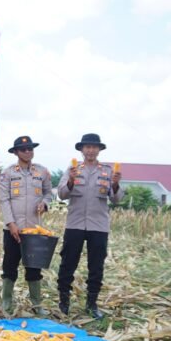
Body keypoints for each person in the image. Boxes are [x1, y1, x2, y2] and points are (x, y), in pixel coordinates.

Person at [57, 133, 123, 319]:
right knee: (68, 263)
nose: (91, 150)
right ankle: (64, 302)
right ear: (81, 149)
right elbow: (61, 194)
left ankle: (92, 304)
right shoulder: (73, 169)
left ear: (99, 150)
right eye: (87, 147)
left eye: (94, 147)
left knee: (96, 265)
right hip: (75, 223)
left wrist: (116, 184)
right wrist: (70, 180)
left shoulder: (108, 171)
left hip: (98, 225)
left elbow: (116, 199)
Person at [0, 136, 53, 317]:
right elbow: (4, 200)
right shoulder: (7, 174)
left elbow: (48, 193)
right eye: (23, 149)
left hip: (34, 230)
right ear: (16, 152)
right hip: (13, 228)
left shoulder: (42, 172)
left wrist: (44, 203)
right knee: (10, 265)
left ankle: (37, 304)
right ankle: (6, 302)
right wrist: (11, 224)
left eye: (30, 148)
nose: (27, 152)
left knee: (34, 268)